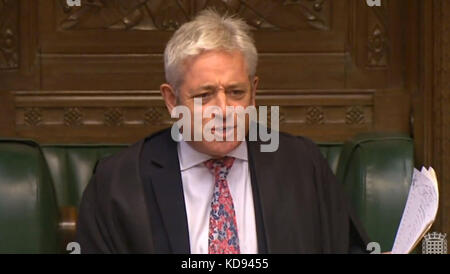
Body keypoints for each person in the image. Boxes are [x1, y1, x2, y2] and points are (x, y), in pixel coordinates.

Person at [75, 9, 370, 254]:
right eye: (204, 95)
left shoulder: (302, 166)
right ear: (171, 99)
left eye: (236, 92)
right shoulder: (119, 183)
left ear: (253, 93)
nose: (223, 110)